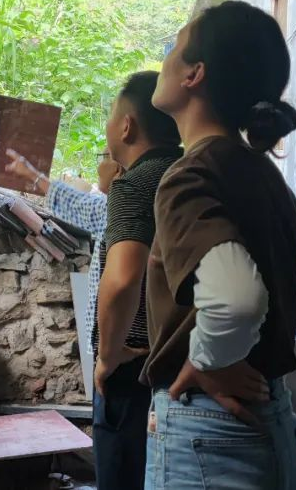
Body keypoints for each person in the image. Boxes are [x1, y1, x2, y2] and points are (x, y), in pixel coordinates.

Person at [142, 0, 296, 490]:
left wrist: (205, 362)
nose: (164, 60)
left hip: (211, 432)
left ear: (194, 74)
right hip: (270, 421)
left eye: (173, 47)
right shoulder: (264, 176)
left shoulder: (190, 176)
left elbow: (237, 300)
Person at [93, 71, 182, 490]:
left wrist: (108, 355)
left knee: (122, 474)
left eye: (111, 115)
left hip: (135, 363)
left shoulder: (136, 184)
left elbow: (123, 279)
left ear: (126, 126)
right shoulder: (189, 171)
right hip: (184, 361)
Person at [4, 147, 122, 356]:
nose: (98, 167)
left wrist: (106, 356)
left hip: (119, 345)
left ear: (118, 169)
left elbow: (74, 203)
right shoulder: (115, 206)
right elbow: (76, 202)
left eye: (103, 158)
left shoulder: (115, 210)